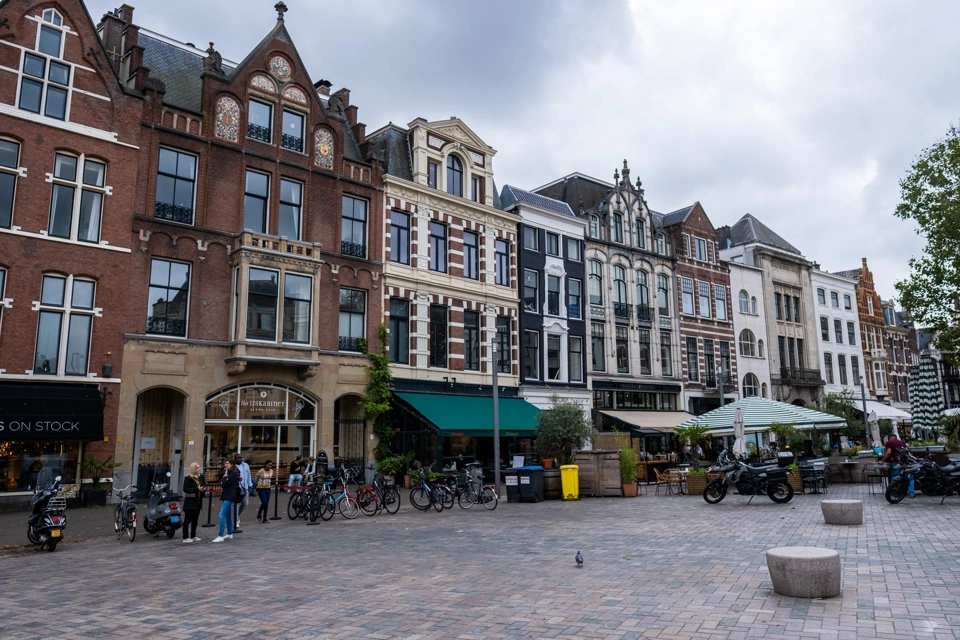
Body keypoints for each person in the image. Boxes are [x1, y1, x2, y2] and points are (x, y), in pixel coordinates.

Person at [212, 459, 240, 543]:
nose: (225, 465)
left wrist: (224, 479)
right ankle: (229, 532)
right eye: (225, 463)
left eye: (227, 463)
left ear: (232, 464)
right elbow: (222, 481)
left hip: (230, 495)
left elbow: (225, 483)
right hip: (226, 495)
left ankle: (220, 535)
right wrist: (224, 478)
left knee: (222, 515)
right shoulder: (228, 472)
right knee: (228, 515)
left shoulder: (234, 472)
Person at [181, 462, 206, 543]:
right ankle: (185, 537)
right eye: (197, 468)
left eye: (199, 467)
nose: (199, 469)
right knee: (187, 519)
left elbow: (202, 485)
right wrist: (196, 489)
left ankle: (193, 535)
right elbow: (185, 489)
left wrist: (202, 489)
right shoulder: (188, 478)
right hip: (190, 501)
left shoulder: (200, 477)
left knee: (195, 520)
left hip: (198, 501)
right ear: (193, 469)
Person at [234, 454, 253, 527]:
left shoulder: (245, 465)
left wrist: (250, 485)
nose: (240, 459)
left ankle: (236, 515)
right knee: (236, 504)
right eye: (238, 458)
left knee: (245, 503)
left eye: (241, 458)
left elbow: (249, 475)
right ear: (235, 459)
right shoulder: (232, 466)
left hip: (244, 487)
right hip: (236, 488)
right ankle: (236, 520)